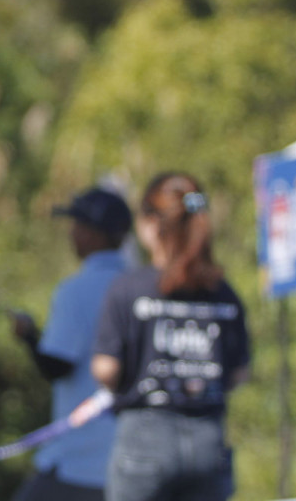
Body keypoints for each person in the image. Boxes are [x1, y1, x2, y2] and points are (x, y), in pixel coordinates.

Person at [91, 173, 251, 501]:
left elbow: (107, 368)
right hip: (208, 440)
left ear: (151, 223)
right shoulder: (224, 293)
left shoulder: (128, 288)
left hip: (144, 438)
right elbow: (239, 373)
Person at [12, 188, 133, 501]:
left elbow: (57, 366)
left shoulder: (75, 290)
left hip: (80, 458)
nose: (72, 234)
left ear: (93, 234)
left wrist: (29, 336)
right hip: (131, 454)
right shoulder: (140, 284)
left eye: (77, 226)